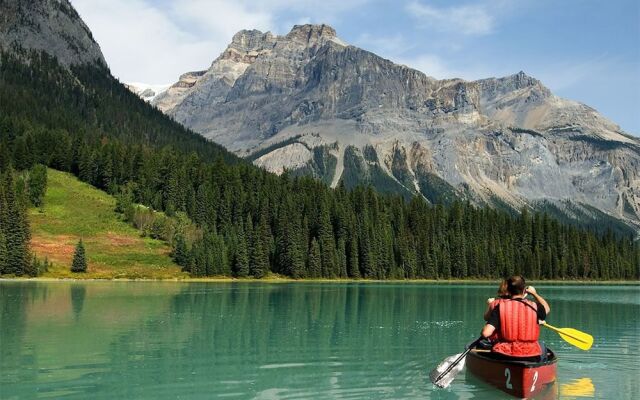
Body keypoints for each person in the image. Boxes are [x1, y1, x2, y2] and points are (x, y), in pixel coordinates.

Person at [480, 275, 551, 360]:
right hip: (531, 355)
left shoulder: (500, 307)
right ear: (524, 290)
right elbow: (547, 309)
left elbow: (486, 333)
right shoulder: (535, 307)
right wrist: (534, 294)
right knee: (542, 347)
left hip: (505, 354)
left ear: (508, 290)